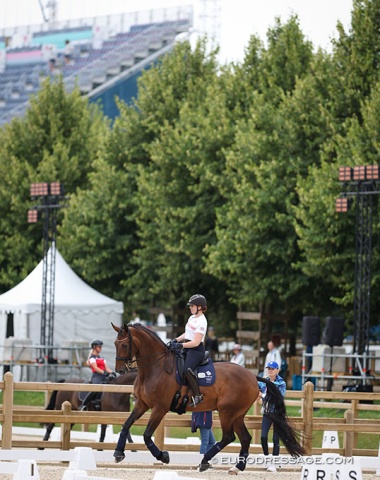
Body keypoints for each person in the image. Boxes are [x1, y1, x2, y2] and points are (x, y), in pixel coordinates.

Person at [171, 293, 208, 407]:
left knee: (187, 370)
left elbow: (196, 342)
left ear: (200, 307)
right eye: (190, 306)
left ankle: (198, 395)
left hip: (196, 350)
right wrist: (176, 340)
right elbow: (187, 333)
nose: (190, 308)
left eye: (192, 306)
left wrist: (181, 346)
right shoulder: (192, 317)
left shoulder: (202, 321)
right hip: (187, 346)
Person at [258, 360, 286, 473]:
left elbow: (278, 397)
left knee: (275, 438)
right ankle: (267, 458)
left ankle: (274, 462)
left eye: (272, 369)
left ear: (277, 370)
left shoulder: (282, 383)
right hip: (267, 412)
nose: (270, 370)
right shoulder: (263, 382)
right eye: (268, 368)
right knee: (263, 437)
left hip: (278, 413)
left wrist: (262, 395)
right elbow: (255, 387)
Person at [79, 339, 114, 411]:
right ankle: (84, 404)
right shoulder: (92, 358)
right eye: (99, 347)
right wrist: (103, 372)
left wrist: (112, 372)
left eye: (101, 347)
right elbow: (95, 367)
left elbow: (107, 368)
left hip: (104, 375)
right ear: (94, 347)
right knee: (96, 388)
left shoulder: (102, 358)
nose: (100, 348)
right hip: (97, 376)